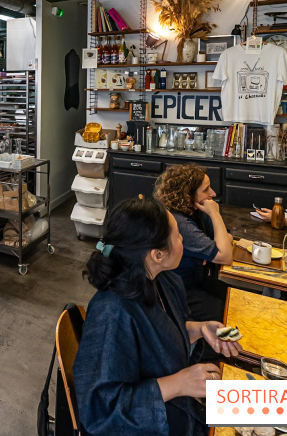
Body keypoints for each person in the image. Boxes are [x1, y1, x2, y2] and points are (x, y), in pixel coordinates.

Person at [73, 196, 242, 436]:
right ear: (157, 255)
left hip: (184, 406)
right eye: (178, 235)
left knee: (280, 409)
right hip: (157, 424)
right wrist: (178, 384)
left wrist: (198, 329)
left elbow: (157, 334)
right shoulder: (111, 313)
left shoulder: (162, 281)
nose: (183, 239)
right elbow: (100, 411)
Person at [154, 164, 233, 322]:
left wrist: (213, 247)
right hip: (181, 292)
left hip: (199, 281)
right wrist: (215, 215)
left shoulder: (196, 211)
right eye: (206, 189)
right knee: (230, 312)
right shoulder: (180, 222)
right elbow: (226, 256)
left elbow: (227, 238)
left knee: (235, 297)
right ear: (188, 194)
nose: (213, 194)